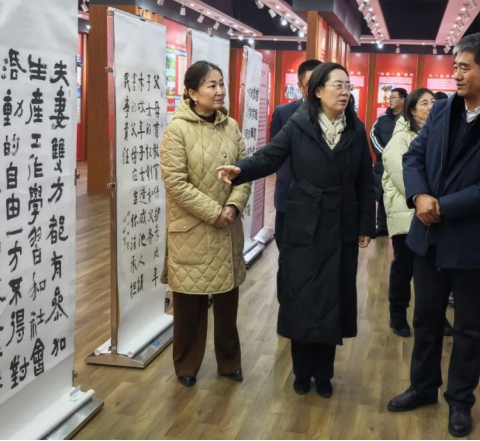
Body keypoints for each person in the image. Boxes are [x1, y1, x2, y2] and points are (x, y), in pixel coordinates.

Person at [388, 33, 480, 438]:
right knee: (426, 318)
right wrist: (419, 196)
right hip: (428, 236)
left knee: (468, 327)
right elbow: (414, 156)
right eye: (455, 67)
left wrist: (441, 205)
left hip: (470, 241)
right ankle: (422, 387)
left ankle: (460, 402)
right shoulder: (444, 109)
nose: (457, 75)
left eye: (465, 67)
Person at [216, 63, 375, 398]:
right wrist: (240, 169)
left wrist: (366, 225)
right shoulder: (299, 124)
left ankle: (325, 373)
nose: (344, 92)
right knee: (301, 295)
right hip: (304, 222)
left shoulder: (356, 129)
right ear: (318, 90)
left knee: (331, 297)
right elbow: (270, 157)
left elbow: (365, 181)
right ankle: (302, 371)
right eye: (337, 85)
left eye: (347, 86)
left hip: (341, 225)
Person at [160, 61, 251, 388]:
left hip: (228, 227)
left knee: (227, 303)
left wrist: (233, 206)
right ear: (192, 92)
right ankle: (186, 364)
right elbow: (176, 182)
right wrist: (214, 212)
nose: (219, 91)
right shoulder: (177, 130)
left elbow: (245, 171)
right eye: (211, 85)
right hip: (193, 229)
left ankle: (229, 362)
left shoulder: (231, 126)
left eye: (221, 84)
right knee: (189, 306)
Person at [382, 88, 435, 337]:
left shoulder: (436, 133)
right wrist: (424, 198)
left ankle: (433, 316)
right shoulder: (400, 139)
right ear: (412, 110)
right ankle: (398, 314)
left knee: (432, 270)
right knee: (404, 266)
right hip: (407, 211)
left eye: (433, 101)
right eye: (424, 103)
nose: (431, 106)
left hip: (431, 210)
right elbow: (404, 177)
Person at [269, 59, 322, 248]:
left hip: (322, 198)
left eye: (321, 84)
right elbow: (274, 153)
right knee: (285, 247)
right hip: (289, 193)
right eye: (310, 84)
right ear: (300, 86)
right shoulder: (283, 113)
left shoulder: (338, 116)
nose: (316, 90)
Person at [371, 87, 408, 237]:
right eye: (390, 97)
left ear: (402, 100)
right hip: (383, 164)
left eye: (393, 97)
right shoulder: (382, 118)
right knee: (382, 194)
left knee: (399, 195)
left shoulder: (408, 119)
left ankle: (400, 228)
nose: (390, 100)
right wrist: (385, 154)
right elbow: (373, 135)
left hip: (401, 164)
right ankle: (381, 226)